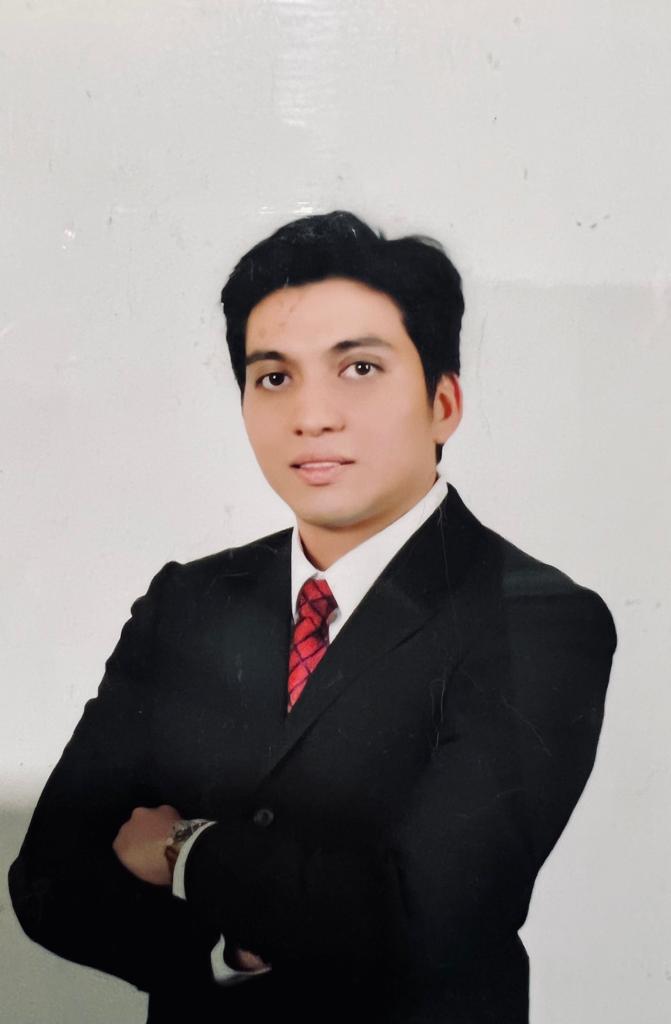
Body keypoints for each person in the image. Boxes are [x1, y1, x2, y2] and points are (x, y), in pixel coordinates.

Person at [9, 211, 617, 1023]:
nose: (311, 415)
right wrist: (222, 954)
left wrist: (185, 851)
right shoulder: (188, 602)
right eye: (273, 377)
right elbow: (47, 879)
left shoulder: (538, 618)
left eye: (359, 368)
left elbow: (425, 917)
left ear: (442, 403)